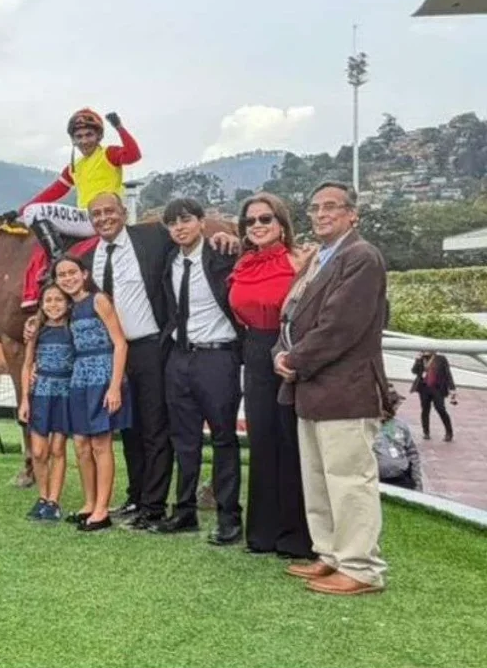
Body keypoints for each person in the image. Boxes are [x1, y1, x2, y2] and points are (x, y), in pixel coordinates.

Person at [66, 191, 237, 533]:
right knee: (129, 426)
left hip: (151, 347)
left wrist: (226, 236)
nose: (103, 218)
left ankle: (154, 506)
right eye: (96, 214)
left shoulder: (153, 237)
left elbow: (191, 236)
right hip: (114, 352)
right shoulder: (92, 255)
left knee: (156, 427)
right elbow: (74, 291)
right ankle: (136, 494)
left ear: (123, 212)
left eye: (109, 211)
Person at [276, 181, 390, 596]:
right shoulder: (318, 260)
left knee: (349, 479)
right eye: (315, 208)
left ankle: (361, 567)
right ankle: (330, 554)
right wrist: (281, 354)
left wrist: (294, 360)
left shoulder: (361, 257)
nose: (321, 214)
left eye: (332, 207)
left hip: (347, 387)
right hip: (311, 388)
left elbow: (340, 325)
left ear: (352, 214)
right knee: (320, 477)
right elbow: (289, 316)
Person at [228, 193, 315, 558]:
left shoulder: (301, 260)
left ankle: (297, 537)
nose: (258, 226)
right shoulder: (242, 262)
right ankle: (262, 534)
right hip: (254, 350)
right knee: (261, 438)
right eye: (251, 221)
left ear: (282, 223)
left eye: (266, 219)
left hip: (289, 349)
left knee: (291, 439)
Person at [151, 198, 242, 546]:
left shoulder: (223, 255)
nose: (179, 227)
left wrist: (236, 241)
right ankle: (184, 511)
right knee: (183, 440)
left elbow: (251, 253)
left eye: (186, 220)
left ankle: (229, 518)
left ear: (203, 222)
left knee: (223, 438)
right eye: (172, 223)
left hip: (218, 358)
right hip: (178, 358)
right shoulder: (169, 262)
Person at [5, 109, 142, 310]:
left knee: (34, 213)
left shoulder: (109, 154)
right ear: (73, 140)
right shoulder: (74, 167)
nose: (84, 141)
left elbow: (133, 155)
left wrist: (119, 127)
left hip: (101, 217)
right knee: (31, 214)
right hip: (84, 219)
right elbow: (53, 192)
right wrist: (18, 212)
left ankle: (57, 263)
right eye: (79, 137)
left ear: (99, 136)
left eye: (89, 135)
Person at [52, 255, 130, 532]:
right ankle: (89, 503)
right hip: (79, 377)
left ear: (84, 274)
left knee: (100, 444)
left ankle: (102, 509)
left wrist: (114, 386)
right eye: (61, 275)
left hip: (102, 374)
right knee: (81, 445)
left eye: (72, 272)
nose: (68, 278)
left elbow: (120, 343)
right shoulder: (68, 308)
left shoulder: (99, 300)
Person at [17, 283, 73, 523]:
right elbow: (27, 364)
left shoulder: (72, 329)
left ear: (68, 303)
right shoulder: (37, 330)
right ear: (41, 305)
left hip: (64, 394)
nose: (53, 305)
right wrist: (24, 400)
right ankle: (42, 496)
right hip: (40, 394)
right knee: (39, 451)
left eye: (58, 300)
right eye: (48, 300)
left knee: (58, 449)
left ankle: (54, 501)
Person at [375, 387, 423, 491]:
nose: (396, 410)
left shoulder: (400, 425)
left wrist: (417, 481)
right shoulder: (368, 426)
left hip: (401, 479)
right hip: (377, 481)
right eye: (394, 406)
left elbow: (412, 453)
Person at [410, 351, 456, 441]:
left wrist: (452, 388)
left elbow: (447, 373)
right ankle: (426, 432)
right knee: (425, 410)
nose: (426, 350)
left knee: (441, 409)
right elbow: (414, 371)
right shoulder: (421, 359)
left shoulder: (441, 359)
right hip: (424, 388)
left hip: (437, 388)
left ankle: (449, 432)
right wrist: (418, 360)